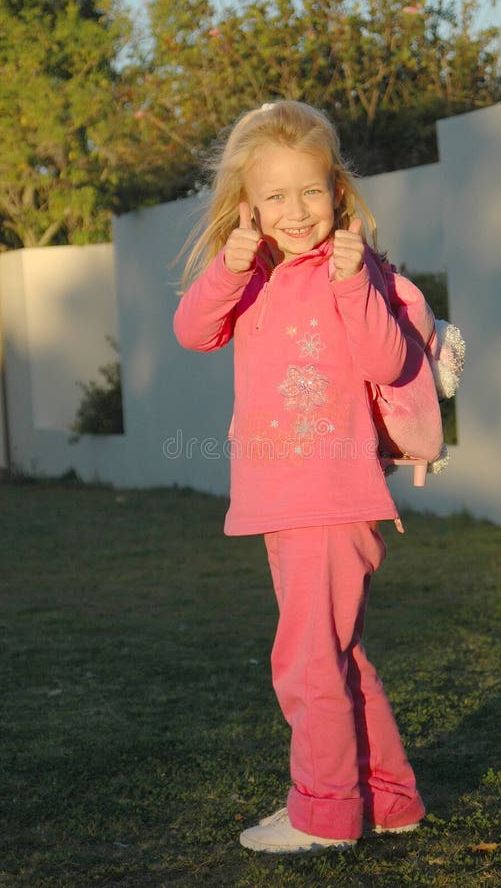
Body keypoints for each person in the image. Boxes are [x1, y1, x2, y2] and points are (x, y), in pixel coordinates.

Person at [174, 100, 429, 854]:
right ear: (248, 206)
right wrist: (229, 261)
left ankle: (323, 811)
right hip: (280, 499)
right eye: (275, 195)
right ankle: (390, 798)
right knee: (335, 654)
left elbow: (390, 361)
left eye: (310, 191)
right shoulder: (247, 276)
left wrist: (354, 285)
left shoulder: (357, 271)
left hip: (332, 495)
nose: (296, 210)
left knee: (306, 658)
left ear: (338, 193)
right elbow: (192, 332)